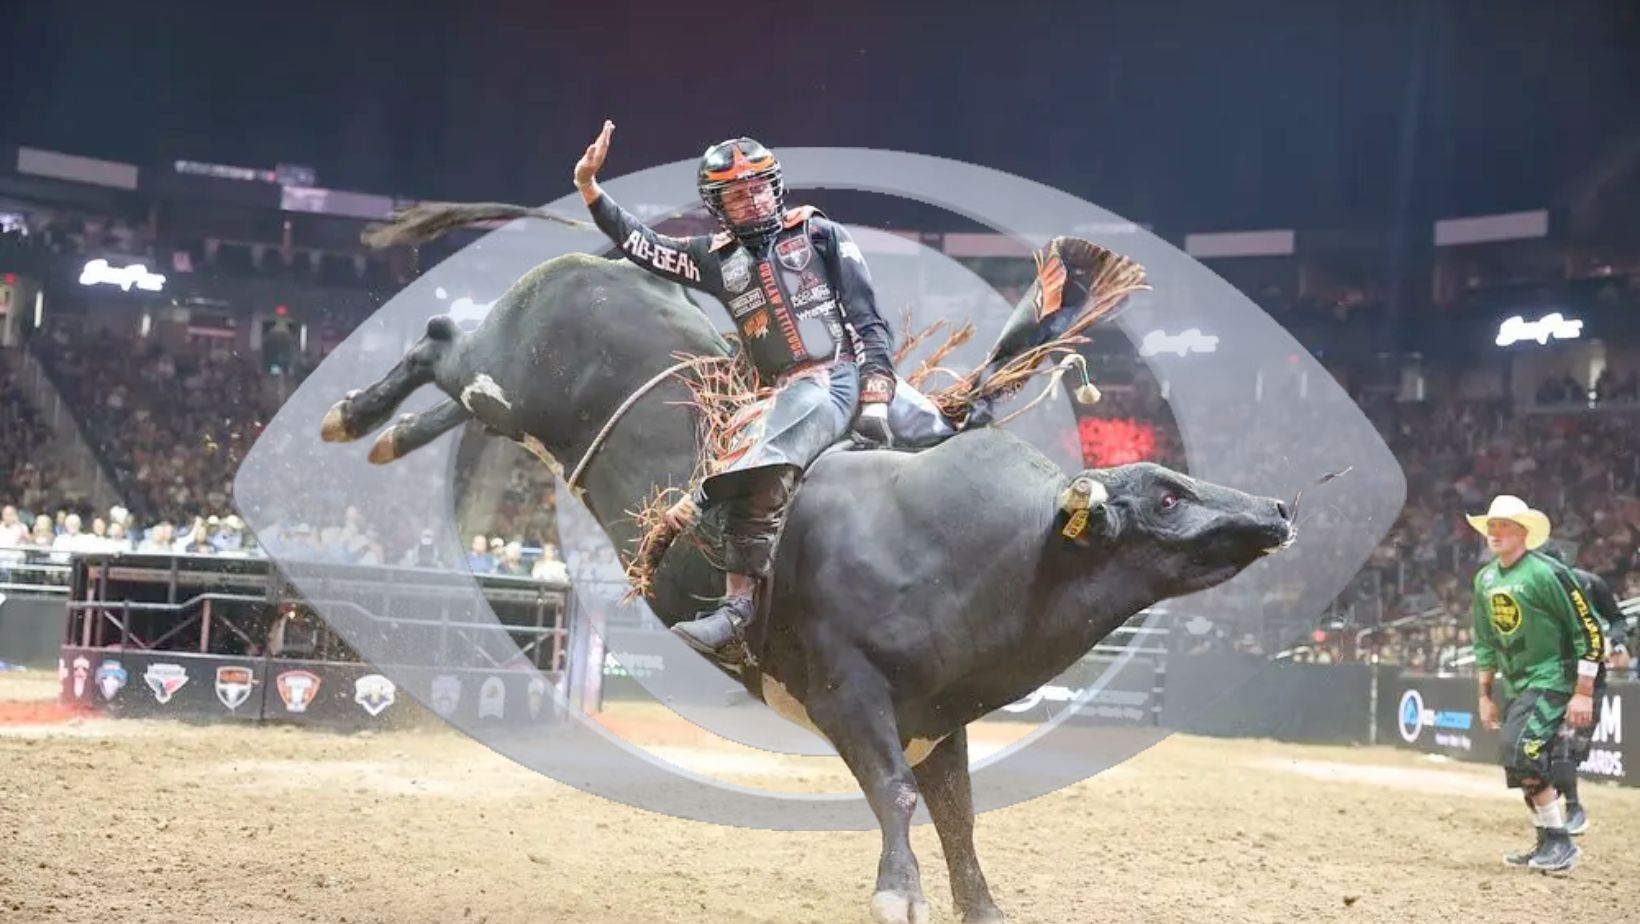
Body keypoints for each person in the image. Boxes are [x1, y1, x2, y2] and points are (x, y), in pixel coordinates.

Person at [572, 120, 961, 661]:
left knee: (955, 437)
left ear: (774, 187)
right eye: (736, 194)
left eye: (758, 188)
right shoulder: (713, 257)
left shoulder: (819, 232)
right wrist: (592, 190)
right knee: (759, 459)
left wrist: (876, 396)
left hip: (852, 371)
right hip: (795, 389)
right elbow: (648, 248)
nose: (751, 201)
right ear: (718, 204)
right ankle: (737, 613)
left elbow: (869, 321)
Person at [1467, 495, 1604, 872]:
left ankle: (1560, 842)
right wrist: (1484, 695)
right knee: (1518, 762)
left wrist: (1582, 691)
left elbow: (1589, 631)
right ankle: (1548, 840)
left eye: (1504, 525)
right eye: (1491, 526)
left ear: (1523, 532)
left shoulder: (1548, 573)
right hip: (1517, 683)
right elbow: (1484, 641)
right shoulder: (1486, 578)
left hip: (1553, 678)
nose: (1494, 532)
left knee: (1521, 751)